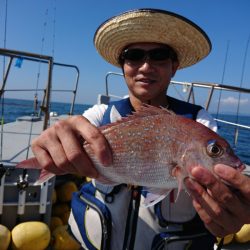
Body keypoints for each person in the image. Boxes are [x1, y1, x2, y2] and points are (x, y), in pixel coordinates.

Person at [31, 8, 250, 250]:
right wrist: (57, 139)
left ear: (174, 66)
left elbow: (224, 179)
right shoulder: (100, 116)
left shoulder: (200, 122)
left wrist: (235, 208)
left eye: (159, 55)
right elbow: (69, 135)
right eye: (134, 55)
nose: (146, 67)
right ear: (123, 66)